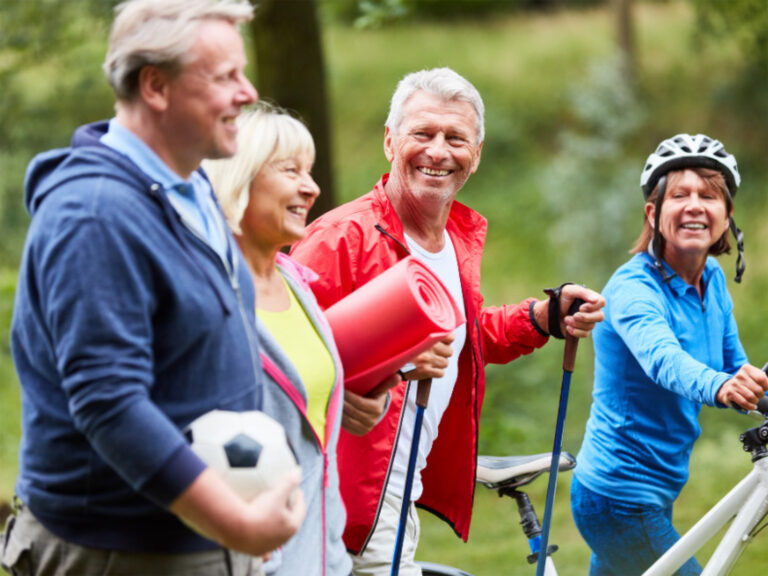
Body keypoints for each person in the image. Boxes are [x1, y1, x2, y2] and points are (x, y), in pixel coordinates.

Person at [2, 2, 306, 575]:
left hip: (198, 537)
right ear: (156, 86)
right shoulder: (95, 215)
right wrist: (234, 522)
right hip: (121, 552)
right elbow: (110, 403)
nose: (248, 93)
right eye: (225, 76)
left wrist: (246, 499)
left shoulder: (190, 186)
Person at [290, 67, 606, 575]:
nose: (438, 151)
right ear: (390, 142)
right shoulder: (341, 239)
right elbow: (281, 358)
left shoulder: (454, 239)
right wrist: (389, 366)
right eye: (423, 133)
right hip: (343, 498)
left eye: (455, 138)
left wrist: (543, 317)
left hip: (399, 492)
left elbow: (461, 337)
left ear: (475, 156)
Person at [204, 103, 397, 576]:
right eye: (290, 171)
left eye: (309, 172)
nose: (311, 187)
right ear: (238, 176)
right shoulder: (205, 294)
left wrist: (353, 399)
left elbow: (303, 406)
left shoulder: (296, 283)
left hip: (321, 553)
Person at [570, 133, 768, 576]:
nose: (694, 206)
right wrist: (721, 385)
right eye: (679, 195)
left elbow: (734, 366)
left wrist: (749, 386)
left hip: (656, 491)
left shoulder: (712, 278)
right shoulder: (633, 289)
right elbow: (665, 360)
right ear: (653, 214)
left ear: (726, 215)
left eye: (708, 196)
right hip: (618, 497)